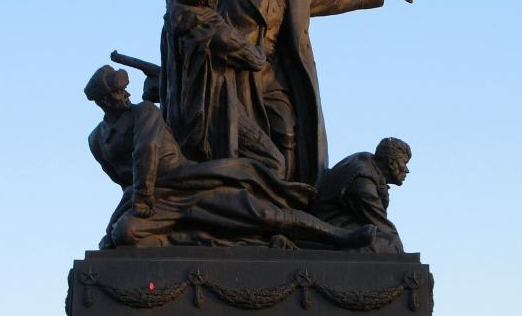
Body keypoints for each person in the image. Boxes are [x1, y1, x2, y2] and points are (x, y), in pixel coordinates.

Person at [162, 0, 428, 185]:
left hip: (273, 76)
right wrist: (192, 17)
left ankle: (282, 198)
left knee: (288, 132)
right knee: (231, 138)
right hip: (232, 71)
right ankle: (235, 192)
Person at [85, 65, 375, 249]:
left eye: (124, 90)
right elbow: (122, 179)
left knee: (261, 213)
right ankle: (200, 239)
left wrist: (141, 200)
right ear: (103, 100)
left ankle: (338, 236)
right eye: (118, 92)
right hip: (156, 199)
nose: (125, 95)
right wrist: (133, 206)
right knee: (123, 234)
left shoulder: (144, 112)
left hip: (188, 183)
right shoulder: (96, 139)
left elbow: (146, 153)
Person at [164, 0, 286, 178]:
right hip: (214, 110)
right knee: (274, 162)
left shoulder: (172, 21)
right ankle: (229, 190)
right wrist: (260, 48)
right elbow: (255, 60)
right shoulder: (211, 27)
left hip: (180, 116)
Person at [310, 137, 411, 253]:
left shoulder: (368, 163)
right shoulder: (364, 179)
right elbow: (381, 224)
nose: (407, 170)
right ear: (391, 162)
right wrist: (398, 247)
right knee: (391, 246)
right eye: (404, 163)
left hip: (341, 224)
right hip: (332, 228)